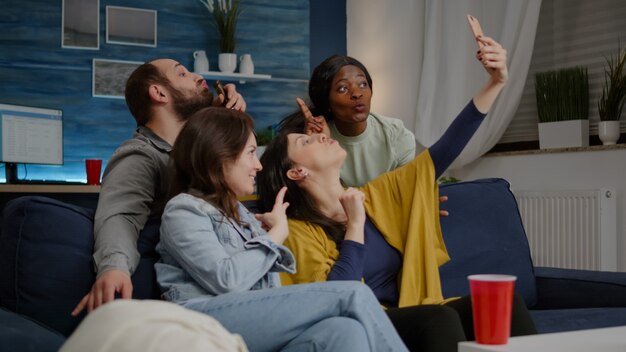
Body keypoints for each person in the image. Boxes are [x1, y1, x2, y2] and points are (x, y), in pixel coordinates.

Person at [257, 35, 537, 351]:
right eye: (305, 142)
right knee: (437, 319)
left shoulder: (376, 195)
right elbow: (335, 298)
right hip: (365, 322)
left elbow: (443, 151)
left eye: (362, 84)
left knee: (503, 304)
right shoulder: (297, 232)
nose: (320, 137)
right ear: (297, 172)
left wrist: (496, 82)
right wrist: (355, 226)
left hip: (411, 310)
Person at [155, 106, 408, 352]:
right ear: (220, 155)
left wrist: (265, 235)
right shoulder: (184, 210)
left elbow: (268, 291)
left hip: (249, 318)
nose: (258, 166)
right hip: (203, 320)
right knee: (354, 295)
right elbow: (227, 279)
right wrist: (275, 237)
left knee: (343, 330)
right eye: (251, 153)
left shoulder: (244, 216)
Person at [72, 58, 246, 316]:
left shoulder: (191, 154)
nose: (198, 76)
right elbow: (121, 216)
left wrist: (223, 116)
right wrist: (114, 268)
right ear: (159, 92)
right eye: (183, 73)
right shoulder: (141, 155)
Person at [295, 54, 417, 187]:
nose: (357, 93)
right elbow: (319, 198)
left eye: (363, 84)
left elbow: (404, 194)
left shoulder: (396, 134)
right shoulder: (316, 138)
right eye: (343, 88)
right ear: (326, 101)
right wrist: (316, 149)